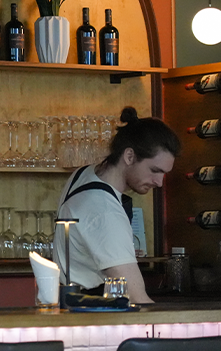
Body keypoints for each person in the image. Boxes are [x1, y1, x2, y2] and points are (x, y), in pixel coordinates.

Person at [53, 107, 181, 304]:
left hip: (71, 311)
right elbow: (138, 300)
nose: (159, 182)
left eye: (163, 173)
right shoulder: (104, 211)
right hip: (93, 319)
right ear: (129, 156)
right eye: (154, 170)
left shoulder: (83, 174)